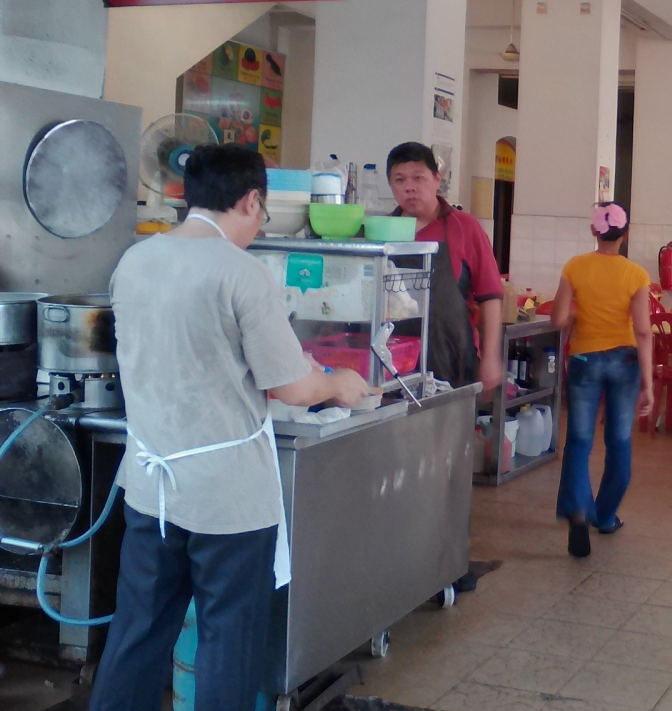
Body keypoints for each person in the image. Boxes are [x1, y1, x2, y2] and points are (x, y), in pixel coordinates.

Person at [92, 145, 369, 711]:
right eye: (260, 211)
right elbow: (293, 388)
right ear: (250, 201)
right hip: (227, 500)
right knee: (228, 643)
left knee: (137, 632)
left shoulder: (135, 261)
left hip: (150, 487)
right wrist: (338, 382)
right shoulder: (242, 273)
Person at [550, 203, 653, 558]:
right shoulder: (636, 274)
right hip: (625, 361)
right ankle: (606, 516)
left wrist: (577, 317)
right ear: (626, 234)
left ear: (594, 231)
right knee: (619, 440)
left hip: (584, 359)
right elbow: (643, 330)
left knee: (579, 441)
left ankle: (579, 511)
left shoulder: (575, 267)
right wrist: (648, 383)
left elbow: (557, 318)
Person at [386, 142, 503, 391]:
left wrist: (491, 357)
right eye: (399, 179)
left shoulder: (465, 227)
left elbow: (490, 297)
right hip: (393, 364)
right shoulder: (381, 231)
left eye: (418, 177)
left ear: (436, 179)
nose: (409, 187)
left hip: (453, 360)